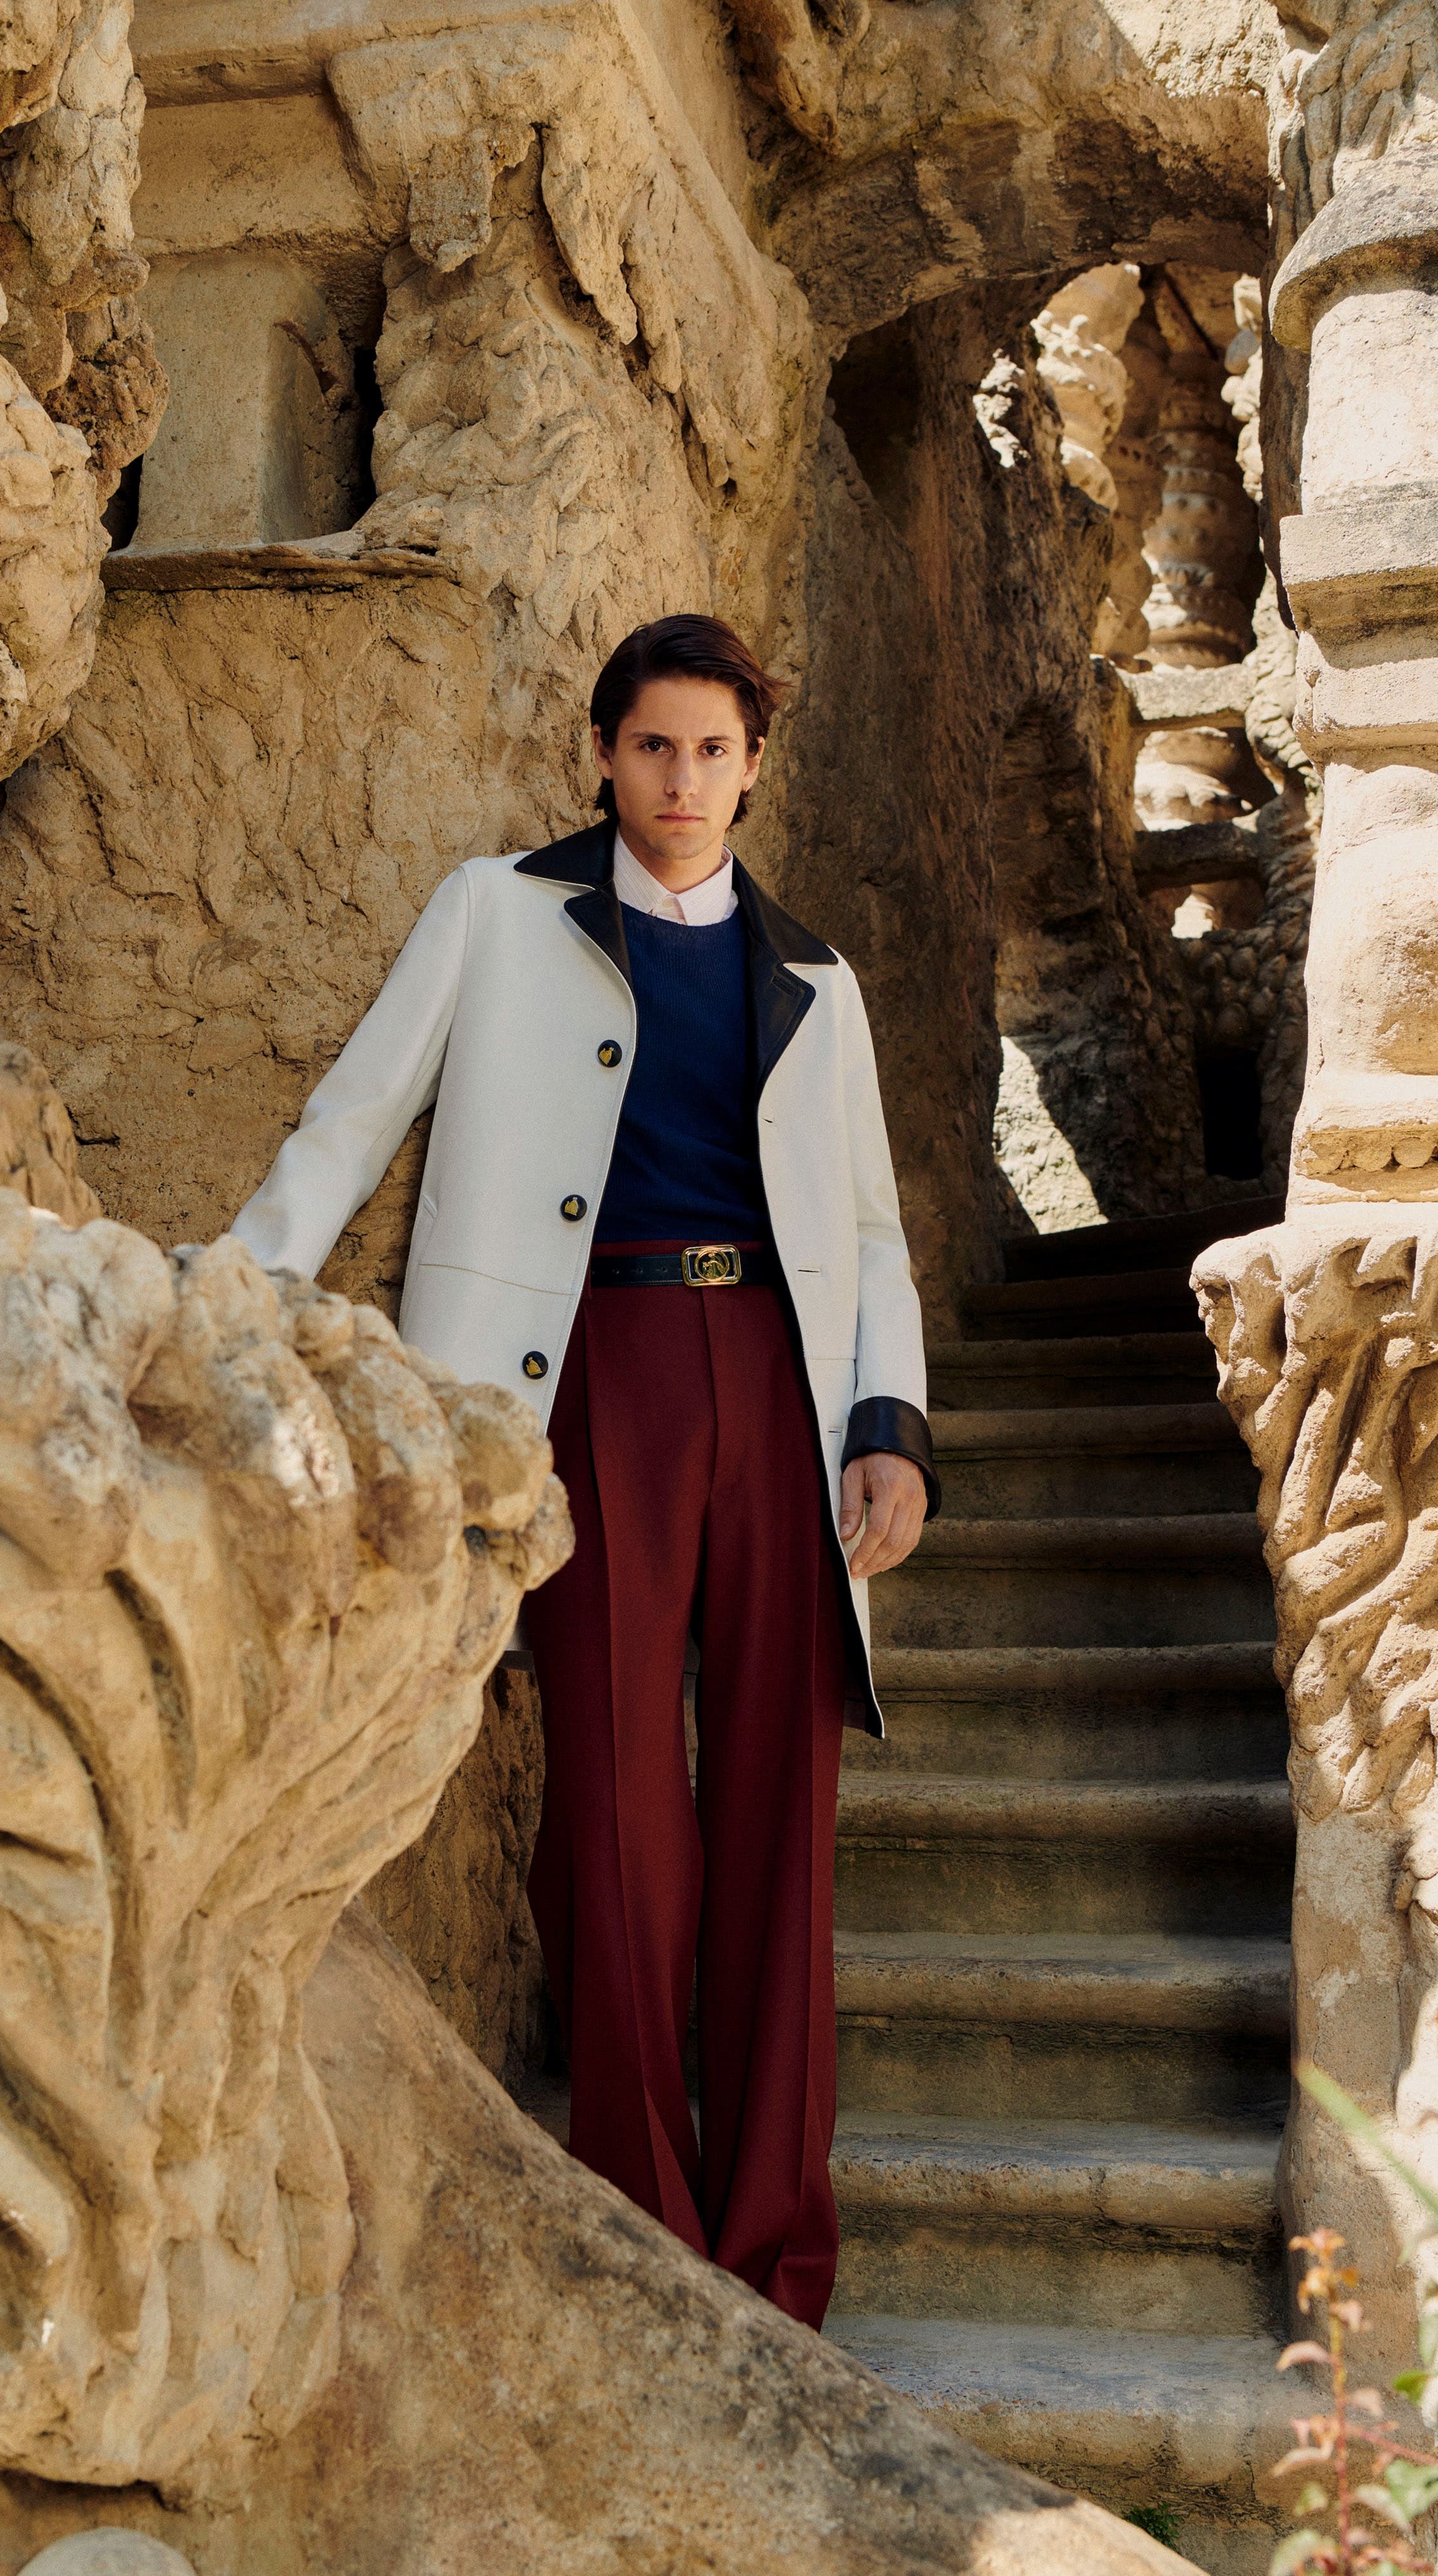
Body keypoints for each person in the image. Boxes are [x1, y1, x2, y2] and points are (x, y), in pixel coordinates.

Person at [232, 613, 938, 2329]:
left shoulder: (819, 983)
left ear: (751, 769)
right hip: (593, 1377)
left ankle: (777, 2253)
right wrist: (230, 1299)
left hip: (778, 1381)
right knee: (617, 1805)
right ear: (605, 756)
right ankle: (645, 2232)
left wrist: (887, 1425)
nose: (682, 781)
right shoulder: (497, 913)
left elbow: (865, 1227)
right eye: (653, 747)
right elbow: (355, 1116)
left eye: (713, 751)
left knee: (781, 1812)